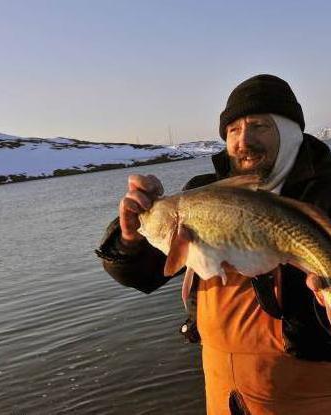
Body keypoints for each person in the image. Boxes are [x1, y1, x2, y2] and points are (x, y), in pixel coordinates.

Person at [96, 74, 331, 415]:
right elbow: (142, 276)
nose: (243, 141)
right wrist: (130, 237)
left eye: (259, 126)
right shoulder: (201, 191)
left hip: (308, 393)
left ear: (290, 132)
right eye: (233, 130)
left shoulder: (324, 193)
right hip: (222, 391)